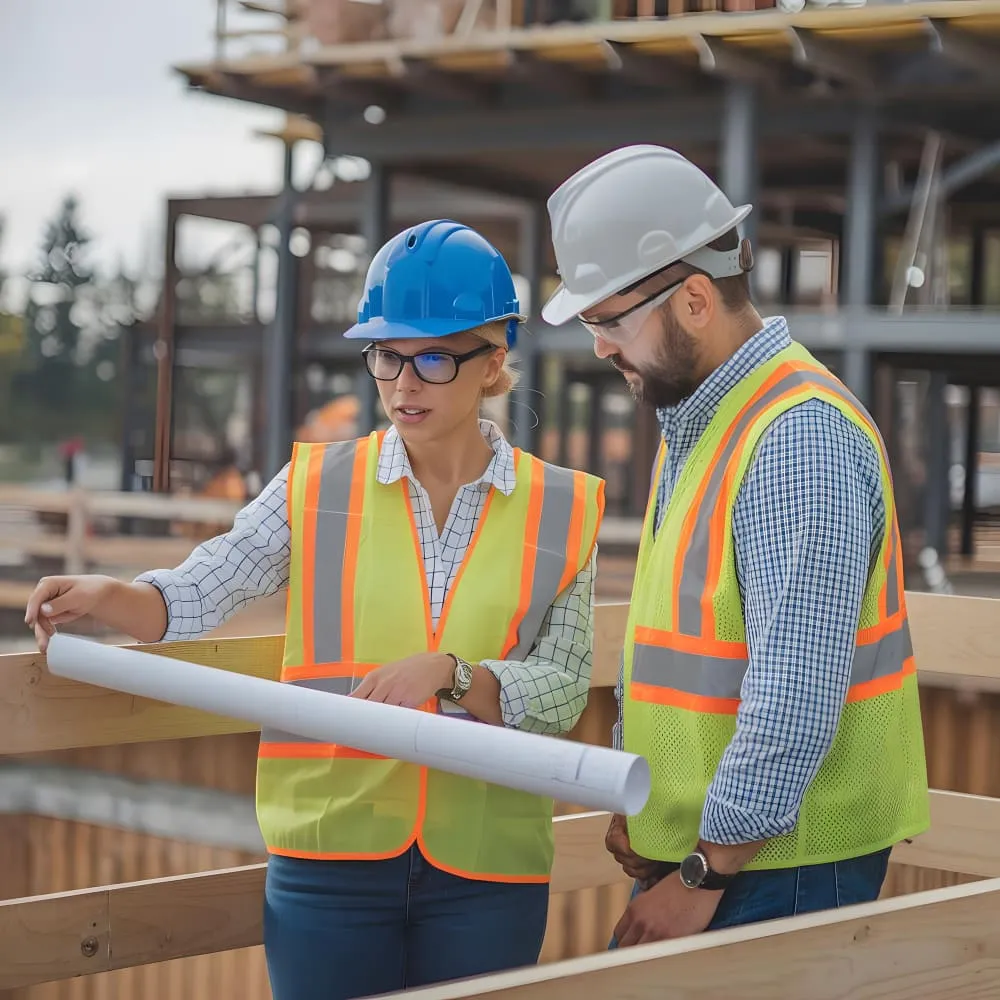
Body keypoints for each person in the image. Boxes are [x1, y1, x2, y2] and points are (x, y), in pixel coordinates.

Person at [24, 219, 606, 999]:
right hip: (330, 862)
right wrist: (107, 596)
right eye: (386, 356)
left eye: (432, 358)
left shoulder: (564, 508)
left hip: (487, 871)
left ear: (494, 360)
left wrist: (456, 675)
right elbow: (201, 591)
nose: (403, 384)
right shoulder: (316, 485)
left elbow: (565, 689)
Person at [540, 145, 930, 944]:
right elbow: (673, 648)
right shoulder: (702, 421)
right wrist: (640, 803)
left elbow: (794, 695)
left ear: (692, 300)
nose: (600, 348)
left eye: (611, 321)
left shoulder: (795, 439)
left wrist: (703, 871)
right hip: (723, 854)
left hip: (777, 866)